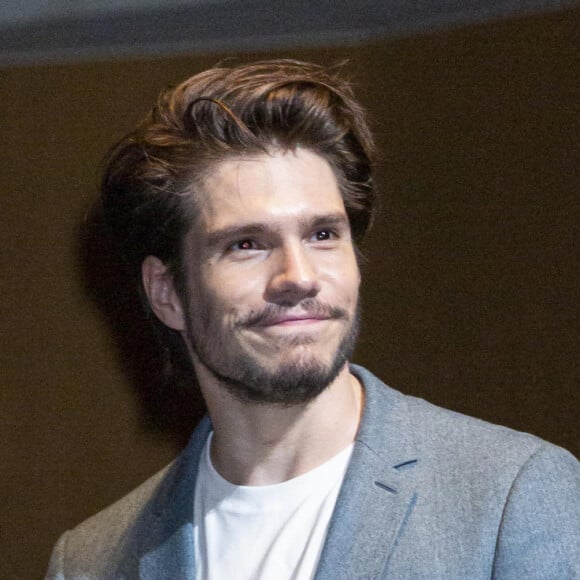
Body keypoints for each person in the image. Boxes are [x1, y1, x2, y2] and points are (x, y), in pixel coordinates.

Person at [46, 60, 578, 579]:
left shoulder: (514, 495)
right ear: (167, 293)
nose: (298, 276)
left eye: (323, 234)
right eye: (246, 244)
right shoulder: (91, 561)